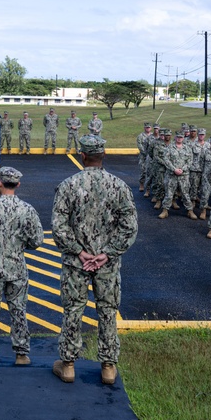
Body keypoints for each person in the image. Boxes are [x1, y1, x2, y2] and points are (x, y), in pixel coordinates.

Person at [51, 135, 138, 386]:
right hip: (106, 265)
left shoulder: (68, 185)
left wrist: (79, 251)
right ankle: (108, 367)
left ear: (82, 156)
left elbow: (59, 227)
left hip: (76, 263)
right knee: (108, 312)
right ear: (103, 156)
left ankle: (68, 365)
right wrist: (107, 253)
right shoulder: (119, 186)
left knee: (73, 310)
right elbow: (129, 227)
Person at [0, 166, 44, 366]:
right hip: (17, 268)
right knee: (18, 310)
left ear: (0, 184)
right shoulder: (27, 210)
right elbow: (37, 240)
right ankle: (21, 353)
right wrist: (21, 245)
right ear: (18, 185)